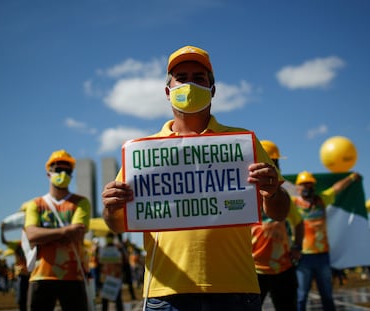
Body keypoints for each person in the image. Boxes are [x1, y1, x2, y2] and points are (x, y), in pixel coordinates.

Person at [102, 45, 290, 310]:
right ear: (168, 92)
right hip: (166, 291)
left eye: (198, 78)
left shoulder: (243, 143)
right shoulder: (142, 152)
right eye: (182, 78)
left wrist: (272, 191)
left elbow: (280, 211)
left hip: (237, 289)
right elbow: (118, 224)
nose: (189, 85)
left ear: (212, 90)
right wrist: (111, 206)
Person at [23, 149, 91, 311]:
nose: (63, 173)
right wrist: (65, 231)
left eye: (67, 171)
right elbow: (32, 235)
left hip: (73, 276)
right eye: (58, 169)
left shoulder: (81, 202)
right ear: (49, 173)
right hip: (41, 275)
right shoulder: (35, 204)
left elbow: (77, 234)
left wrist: (44, 235)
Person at [292, 170, 361, 311]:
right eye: (303, 185)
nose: (306, 188)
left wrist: (352, 177)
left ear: (314, 187)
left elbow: (337, 188)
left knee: (327, 295)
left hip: (322, 256)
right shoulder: (293, 203)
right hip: (302, 258)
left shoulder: (322, 200)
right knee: (301, 296)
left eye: (309, 185)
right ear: (297, 188)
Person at [252, 140, 304, 311]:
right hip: (254, 270)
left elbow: (298, 222)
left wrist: (297, 246)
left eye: (276, 163)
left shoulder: (283, 194)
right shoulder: (245, 192)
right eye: (273, 162)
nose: (275, 167)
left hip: (283, 268)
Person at [1, 222, 30, 311]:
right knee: (21, 296)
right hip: (20, 274)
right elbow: (4, 241)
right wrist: (1, 231)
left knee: (29, 296)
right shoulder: (17, 244)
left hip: (30, 273)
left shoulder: (31, 243)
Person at [98, 232, 124, 311]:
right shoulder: (116, 249)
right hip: (113, 276)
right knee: (112, 298)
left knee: (109, 298)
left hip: (110, 276)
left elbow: (100, 262)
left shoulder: (104, 249)